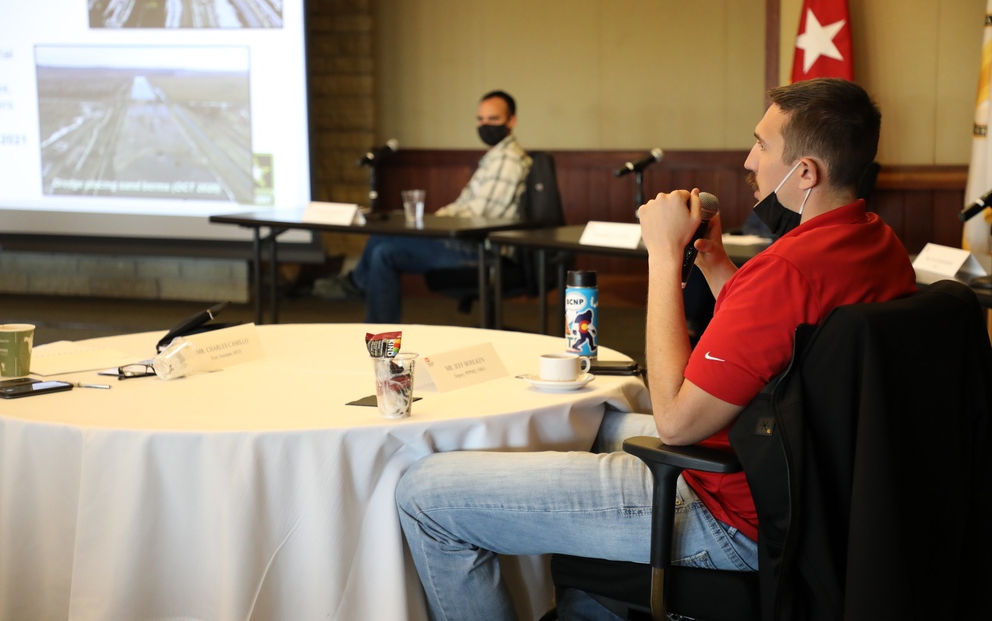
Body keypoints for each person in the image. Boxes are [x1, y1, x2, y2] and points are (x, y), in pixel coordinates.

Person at [394, 78, 918, 621]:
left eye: (762, 145)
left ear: (805, 172)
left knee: (426, 494)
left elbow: (674, 422)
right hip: (802, 489)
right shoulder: (876, 241)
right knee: (595, 421)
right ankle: (590, 603)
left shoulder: (784, 269)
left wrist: (664, 259)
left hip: (727, 509)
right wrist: (714, 262)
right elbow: (780, 336)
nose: (749, 159)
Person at [327, 90, 531, 324]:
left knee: (382, 245)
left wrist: (434, 222)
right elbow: (464, 206)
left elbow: (480, 216)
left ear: (511, 121)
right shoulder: (495, 157)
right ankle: (372, 318)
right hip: (467, 242)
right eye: (480, 119)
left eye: (493, 119)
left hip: (482, 250)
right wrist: (435, 218)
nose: (484, 125)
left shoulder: (507, 161)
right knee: (383, 249)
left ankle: (357, 286)